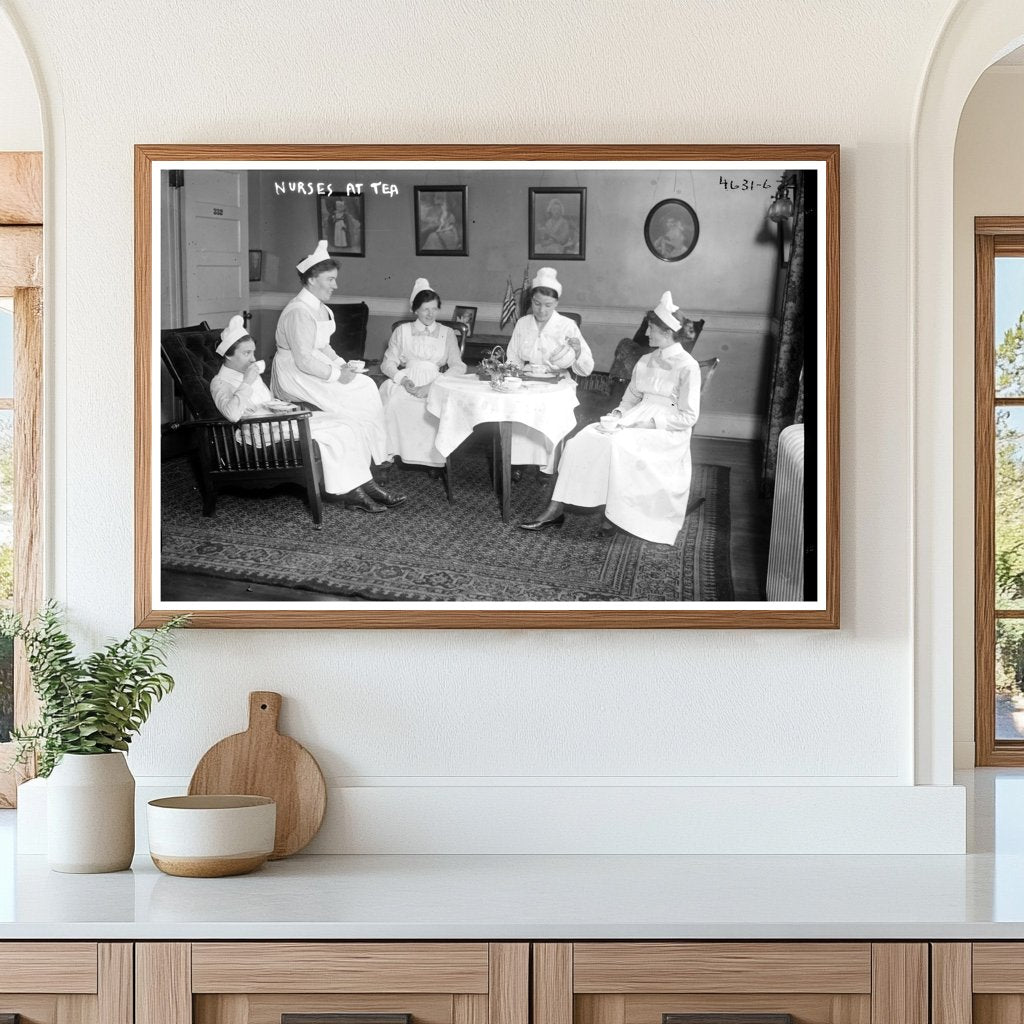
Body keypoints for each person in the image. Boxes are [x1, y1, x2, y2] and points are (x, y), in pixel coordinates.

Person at [520, 291, 701, 544]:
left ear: (667, 332)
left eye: (651, 329)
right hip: (634, 417)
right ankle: (555, 510)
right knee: (579, 441)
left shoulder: (688, 366)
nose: (647, 334)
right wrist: (618, 414)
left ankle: (615, 513)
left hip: (665, 429)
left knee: (616, 445)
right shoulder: (646, 360)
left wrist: (649, 423)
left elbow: (688, 417)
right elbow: (630, 398)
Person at [211, 316, 404, 513]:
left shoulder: (247, 373)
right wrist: (247, 383)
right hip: (260, 432)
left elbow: (267, 401)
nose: (253, 358)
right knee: (335, 432)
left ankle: (367, 486)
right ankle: (354, 494)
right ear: (228, 356)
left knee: (348, 422)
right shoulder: (220, 382)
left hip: (277, 421)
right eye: (246, 353)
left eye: (253, 352)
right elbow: (233, 414)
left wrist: (283, 407)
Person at [271, 240, 402, 503]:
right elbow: (304, 359)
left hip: (313, 365)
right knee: (356, 395)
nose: (335, 285)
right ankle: (364, 473)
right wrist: (336, 375)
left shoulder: (321, 308)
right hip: (294, 373)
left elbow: (324, 346)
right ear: (310, 279)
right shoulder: (298, 311)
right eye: (330, 279)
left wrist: (341, 363)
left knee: (364, 386)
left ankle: (366, 470)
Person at [505, 267, 594, 473]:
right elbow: (513, 358)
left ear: (556, 304)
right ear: (531, 301)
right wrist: (513, 378)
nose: (542, 310)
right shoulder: (522, 323)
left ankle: (548, 467)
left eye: (548, 305)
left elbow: (587, 369)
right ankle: (519, 462)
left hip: (557, 384)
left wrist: (578, 351)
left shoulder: (567, 325)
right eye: (536, 304)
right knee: (519, 413)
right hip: (526, 381)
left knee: (550, 417)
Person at [379, 278, 466, 467]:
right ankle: (390, 455)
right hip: (408, 378)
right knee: (394, 402)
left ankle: (432, 460)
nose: (430, 314)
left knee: (434, 407)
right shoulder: (402, 331)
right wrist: (403, 380)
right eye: (425, 309)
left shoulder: (447, 332)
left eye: (434, 309)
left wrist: (435, 385)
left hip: (436, 380)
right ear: (415, 309)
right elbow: (388, 364)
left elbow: (458, 366)